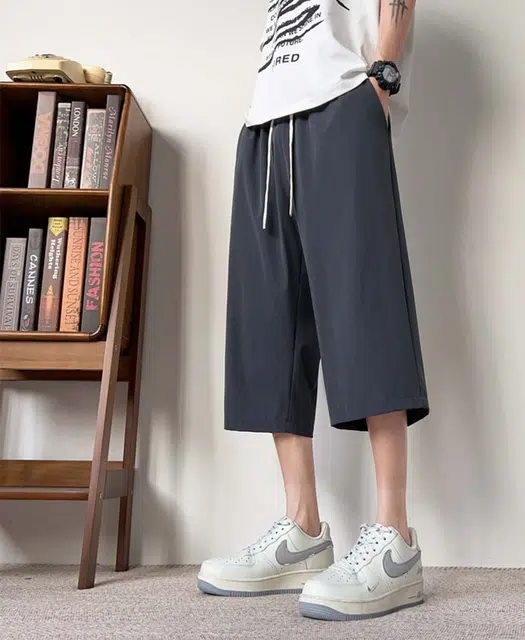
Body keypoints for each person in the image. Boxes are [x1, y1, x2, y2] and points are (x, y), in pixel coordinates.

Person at [198, 0, 429, 621]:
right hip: (265, 125)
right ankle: (302, 527)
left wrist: (382, 77)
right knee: (270, 318)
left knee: (363, 303)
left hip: (341, 103)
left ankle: (395, 537)